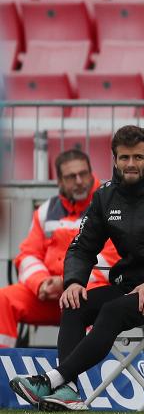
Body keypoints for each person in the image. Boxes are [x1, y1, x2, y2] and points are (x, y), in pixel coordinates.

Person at [9, 125, 144, 411]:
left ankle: (52, 380)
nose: (130, 164)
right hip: (130, 287)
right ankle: (68, 393)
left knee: (112, 310)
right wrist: (74, 281)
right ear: (114, 160)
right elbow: (81, 247)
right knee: (75, 303)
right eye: (124, 157)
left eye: (138, 157)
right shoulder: (106, 196)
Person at [0, 149, 119, 349]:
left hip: (89, 290)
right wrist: (43, 283)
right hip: (51, 294)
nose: (79, 181)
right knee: (4, 299)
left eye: (84, 173)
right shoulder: (46, 210)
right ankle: (3, 367)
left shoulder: (109, 205)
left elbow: (110, 260)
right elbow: (28, 255)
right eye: (71, 177)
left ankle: (84, 371)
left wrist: (67, 281)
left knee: (84, 298)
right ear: (60, 182)